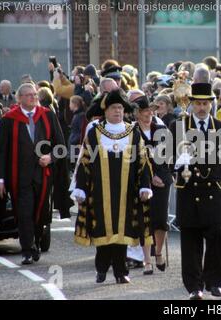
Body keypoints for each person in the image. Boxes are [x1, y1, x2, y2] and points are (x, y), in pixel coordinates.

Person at [72, 89, 153, 284]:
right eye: (113, 108)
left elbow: (142, 161)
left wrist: (144, 186)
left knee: (122, 234)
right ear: (105, 111)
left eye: (120, 108)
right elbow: (85, 162)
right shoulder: (94, 132)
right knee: (103, 233)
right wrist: (81, 187)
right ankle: (101, 268)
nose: (117, 111)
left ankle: (120, 271)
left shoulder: (133, 132)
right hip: (100, 192)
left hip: (126, 192)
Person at [170, 82, 221, 300]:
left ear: (211, 104)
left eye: (205, 103)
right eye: (198, 103)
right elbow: (163, 158)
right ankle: (194, 286)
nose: (202, 108)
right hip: (189, 190)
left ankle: (214, 283)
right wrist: (175, 162)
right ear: (190, 103)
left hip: (214, 191)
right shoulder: (178, 126)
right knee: (190, 241)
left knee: (216, 238)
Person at [0, 83, 66, 264]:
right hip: (19, 177)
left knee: (40, 214)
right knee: (24, 213)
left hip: (43, 176)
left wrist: (50, 157)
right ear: (20, 98)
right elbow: (0, 151)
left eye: (35, 95)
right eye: (29, 95)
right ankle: (27, 249)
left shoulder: (47, 116)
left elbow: (61, 146)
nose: (33, 98)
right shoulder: (8, 120)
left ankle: (36, 240)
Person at [133, 98, 173, 275]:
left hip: (162, 179)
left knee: (160, 219)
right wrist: (149, 177)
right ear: (137, 113)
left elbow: (168, 157)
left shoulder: (162, 130)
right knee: (145, 219)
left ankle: (158, 253)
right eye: (145, 111)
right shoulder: (132, 132)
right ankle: (146, 260)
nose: (149, 113)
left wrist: (160, 175)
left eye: (152, 110)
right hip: (141, 180)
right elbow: (133, 159)